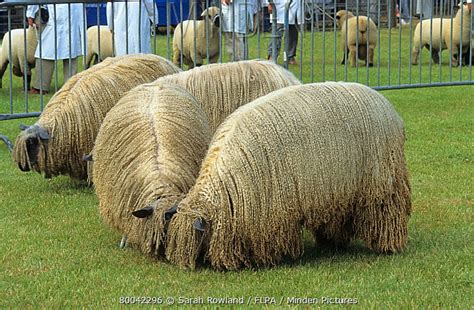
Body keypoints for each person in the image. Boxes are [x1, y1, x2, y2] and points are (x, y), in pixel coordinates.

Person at [26, 4, 85, 94]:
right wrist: (31, 13)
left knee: (71, 51)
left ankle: (70, 86)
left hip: (73, 13)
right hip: (52, 13)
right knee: (46, 51)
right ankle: (40, 87)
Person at [266, 0, 302, 65]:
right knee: (277, 33)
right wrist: (269, 3)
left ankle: (290, 57)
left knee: (293, 33)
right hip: (280, 7)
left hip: (295, 6)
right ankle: (272, 56)